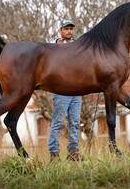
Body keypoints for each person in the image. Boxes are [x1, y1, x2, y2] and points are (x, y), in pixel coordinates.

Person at [48, 19, 83, 162]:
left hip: (76, 91)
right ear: (60, 31)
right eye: (66, 28)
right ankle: (54, 153)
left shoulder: (77, 45)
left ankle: (73, 152)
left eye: (71, 29)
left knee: (75, 122)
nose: (69, 31)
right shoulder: (55, 47)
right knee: (58, 122)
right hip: (62, 91)